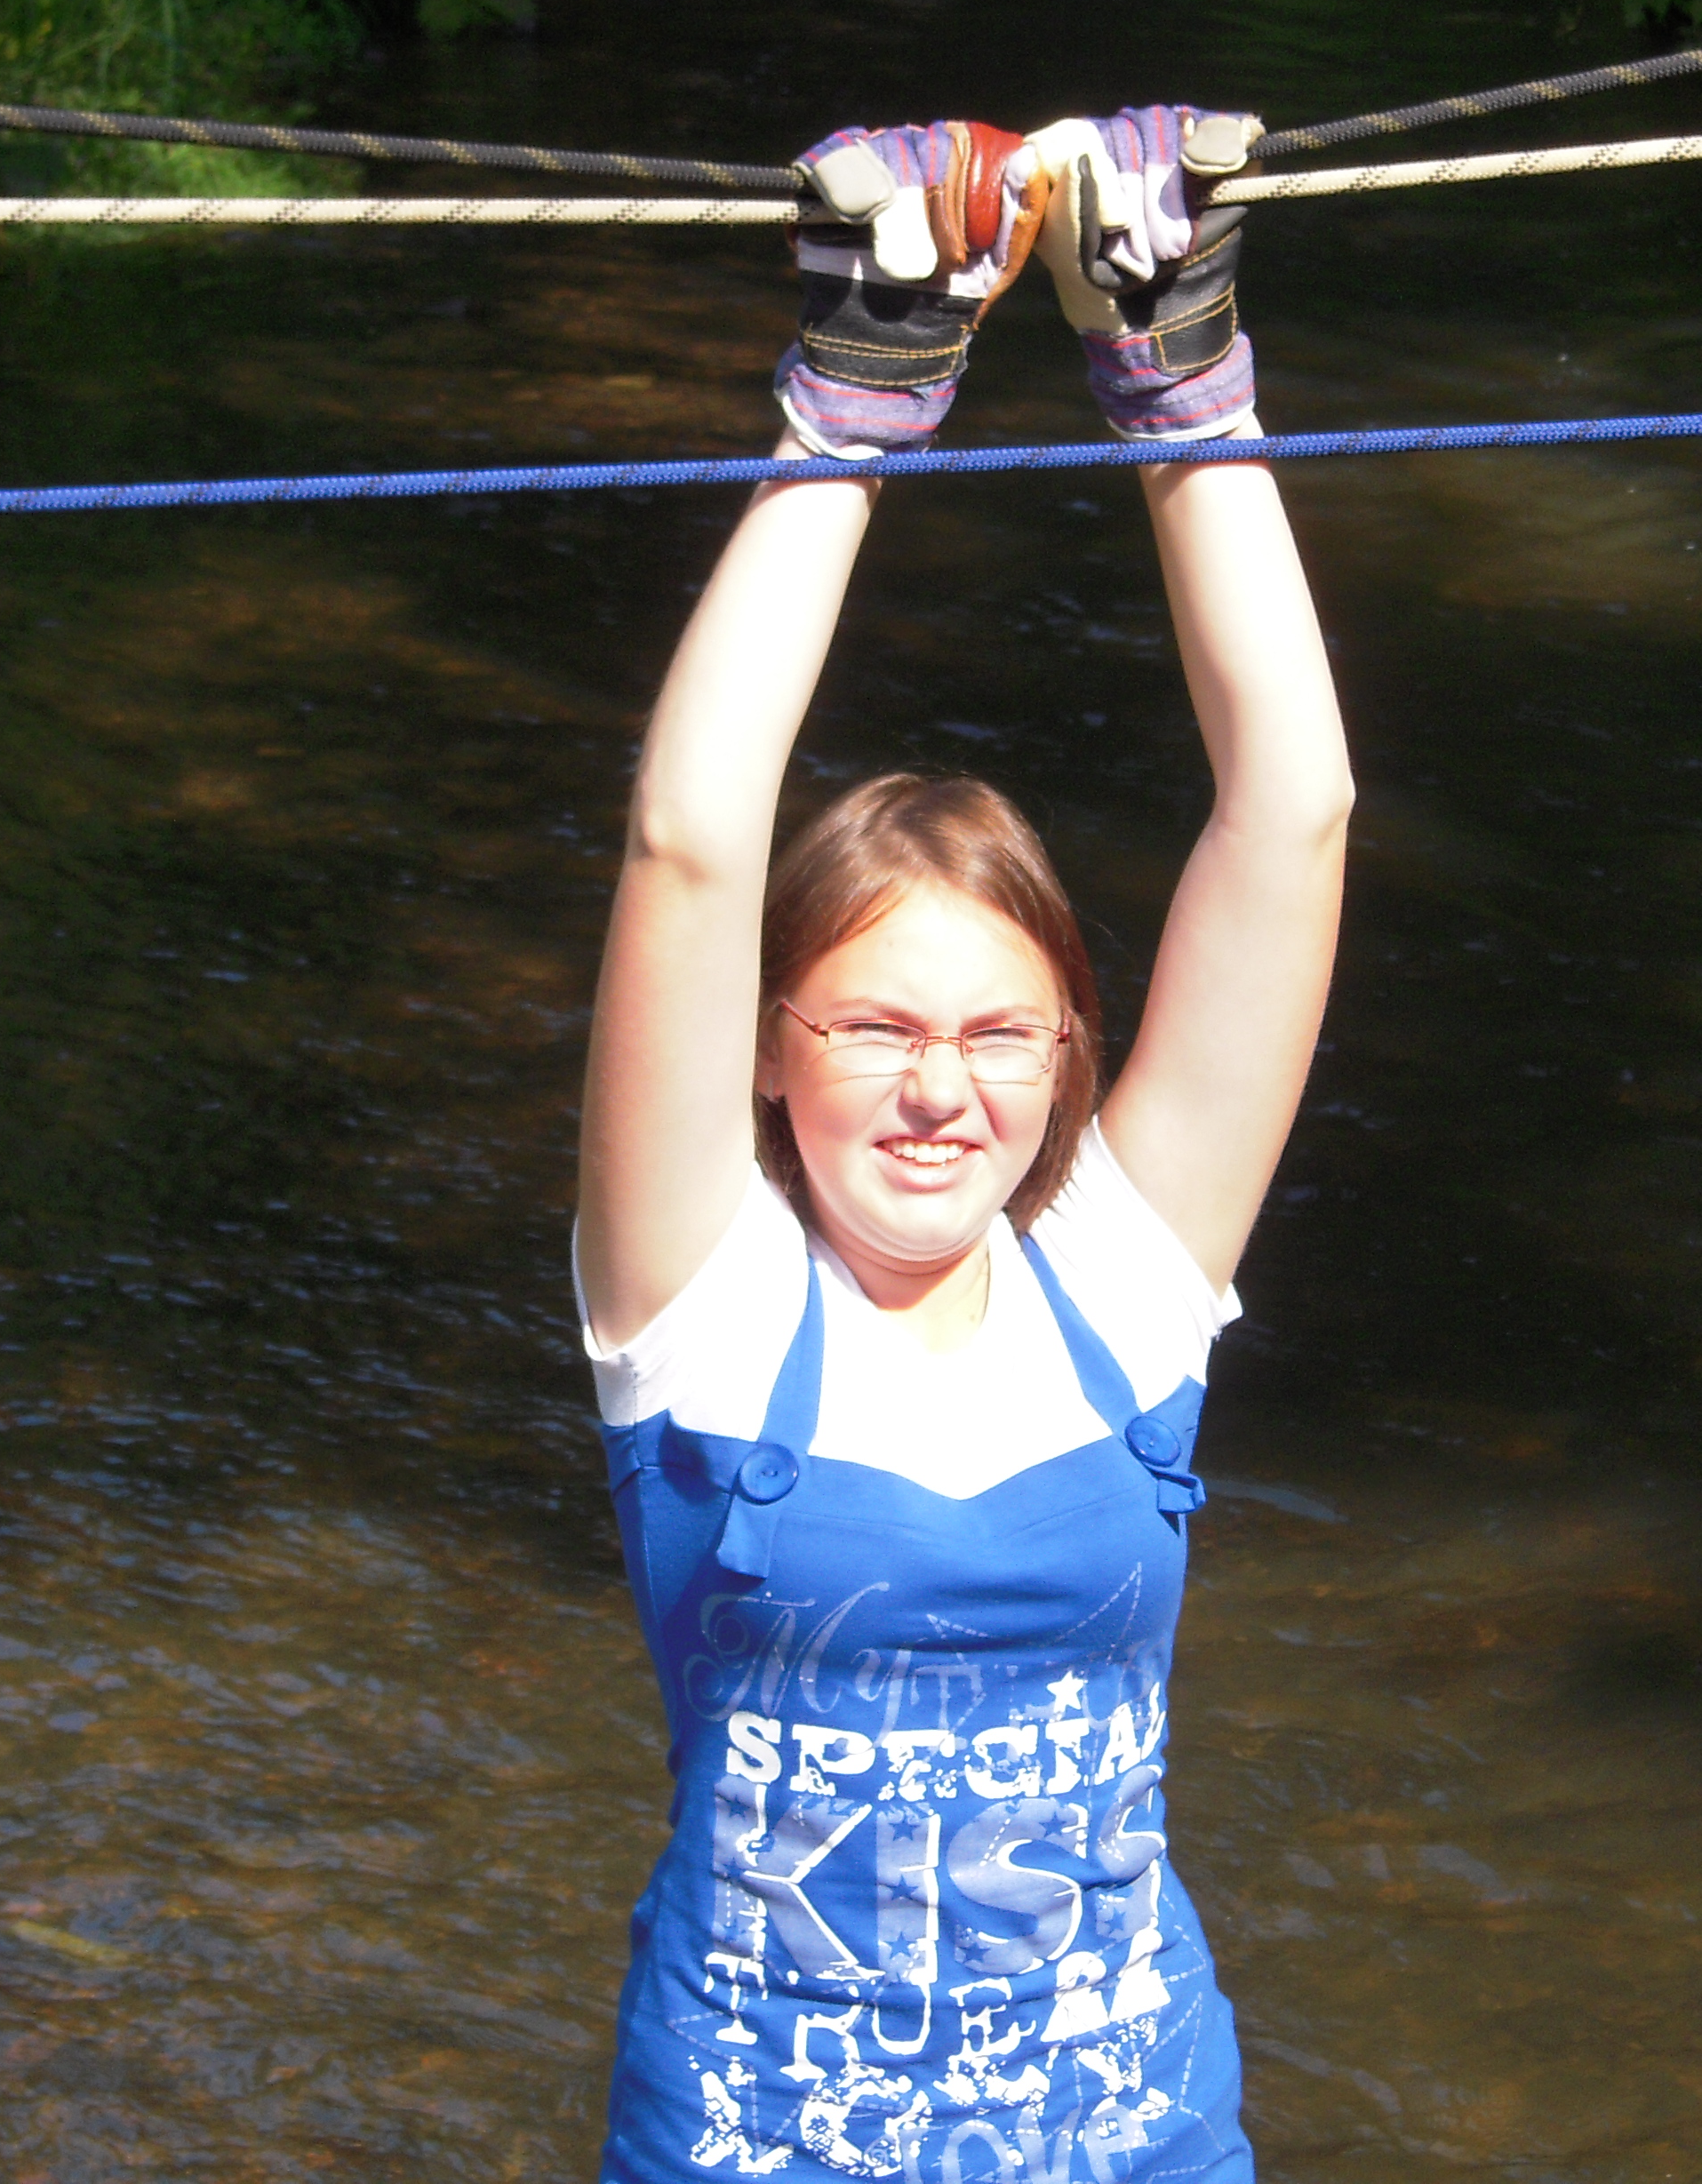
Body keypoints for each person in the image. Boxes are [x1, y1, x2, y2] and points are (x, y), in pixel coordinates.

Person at [574, 104, 1352, 2182]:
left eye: (1003, 1035)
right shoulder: (702, 1303)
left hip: (1135, 2142)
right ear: (770, 1049)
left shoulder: (1123, 1277)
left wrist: (1182, 384)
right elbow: (689, 839)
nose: (944, 1089)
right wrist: (852, 408)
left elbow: (1294, 813)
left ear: (1071, 1051)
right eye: (876, 1028)